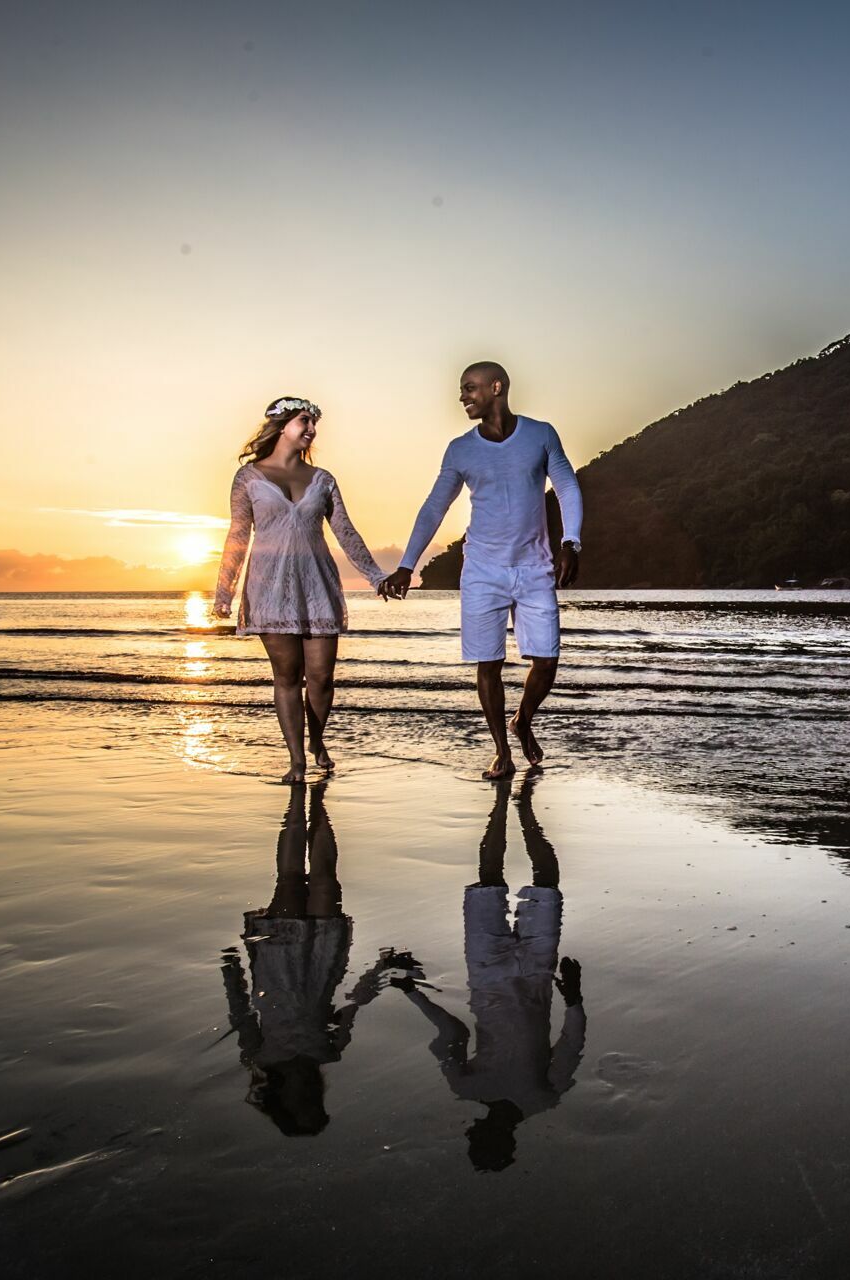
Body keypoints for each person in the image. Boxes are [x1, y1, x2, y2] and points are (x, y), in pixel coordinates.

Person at [379, 363, 581, 779]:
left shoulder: (541, 434)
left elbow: (566, 486)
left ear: (497, 387)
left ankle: (522, 720)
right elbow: (436, 506)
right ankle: (502, 752)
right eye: (461, 389)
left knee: (546, 660)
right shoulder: (460, 449)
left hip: (535, 566)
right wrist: (406, 565)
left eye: (469, 388)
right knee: (487, 663)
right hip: (482, 571)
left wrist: (570, 542)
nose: (462, 396)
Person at [387, 774, 585, 1170]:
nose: (473, 1131)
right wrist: (575, 998)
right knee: (546, 884)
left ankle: (499, 808)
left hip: (490, 972)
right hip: (531, 976)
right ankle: (525, 812)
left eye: (474, 1138)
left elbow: (451, 1033)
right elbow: (569, 1044)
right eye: (479, 1139)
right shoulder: (543, 1098)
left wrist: (415, 994)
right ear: (505, 1143)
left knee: (488, 880)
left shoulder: (467, 1087)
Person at [214, 396, 392, 783]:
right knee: (287, 677)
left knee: (323, 678)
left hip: (318, 585)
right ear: (281, 426)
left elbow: (345, 532)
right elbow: (238, 534)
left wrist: (376, 576)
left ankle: (317, 740)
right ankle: (296, 760)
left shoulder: (323, 479)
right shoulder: (248, 477)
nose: (311, 429)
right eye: (304, 421)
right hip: (269, 588)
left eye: (313, 423)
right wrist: (224, 592)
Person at [219, 783, 386, 1136]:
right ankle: (320, 803)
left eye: (304, 1106)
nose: (311, 1098)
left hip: (277, 963)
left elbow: (241, 1014)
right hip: (323, 963)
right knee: (325, 881)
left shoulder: (258, 1058)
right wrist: (381, 968)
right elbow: (355, 1003)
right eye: (316, 1105)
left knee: (291, 880)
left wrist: (230, 971)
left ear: (283, 1104)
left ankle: (297, 802)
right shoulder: (329, 1053)